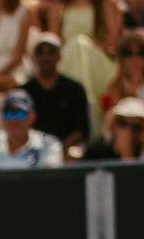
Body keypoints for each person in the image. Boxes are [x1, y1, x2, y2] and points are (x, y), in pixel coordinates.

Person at [22, 32, 90, 160]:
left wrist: (58, 148)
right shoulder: (24, 91)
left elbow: (82, 130)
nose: (45, 57)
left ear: (59, 55)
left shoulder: (75, 89)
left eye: (51, 52)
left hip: (66, 150)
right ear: (34, 57)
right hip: (32, 152)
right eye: (40, 52)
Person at [0, 89, 63, 169]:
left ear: (32, 117)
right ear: (2, 118)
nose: (14, 120)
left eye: (20, 114)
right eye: (8, 114)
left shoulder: (48, 146)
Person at [81, 96, 144, 160]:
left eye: (135, 127)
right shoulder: (96, 149)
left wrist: (127, 154)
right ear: (113, 124)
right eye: (123, 123)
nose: (128, 131)